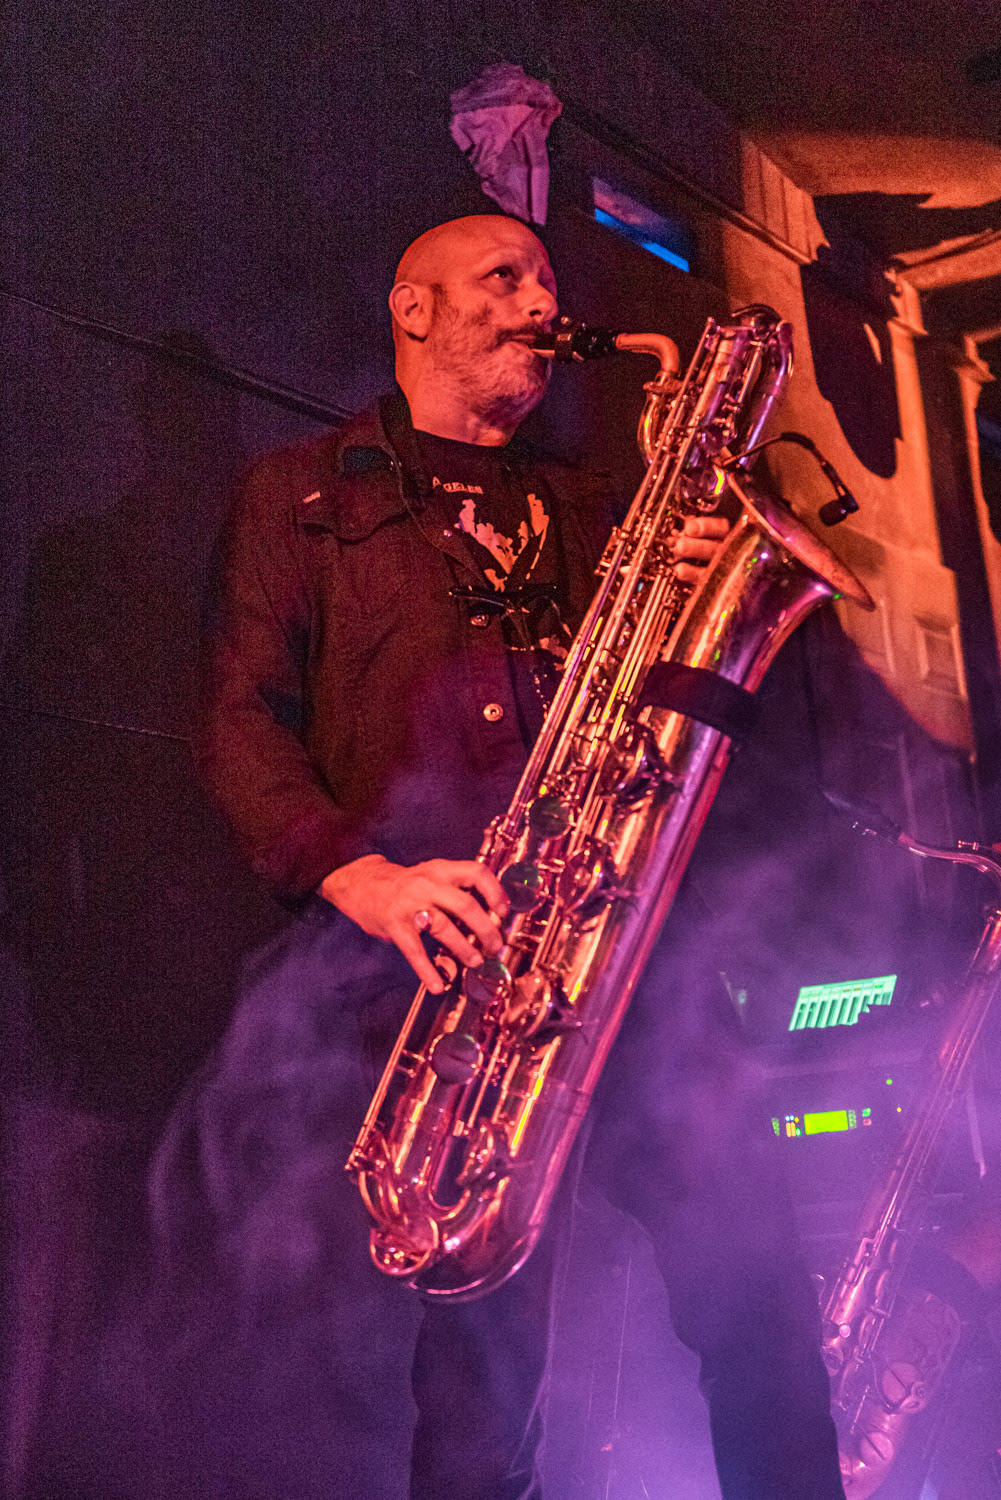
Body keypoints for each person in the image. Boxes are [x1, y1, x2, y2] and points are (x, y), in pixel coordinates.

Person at [149, 213, 846, 1500]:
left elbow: (664, 722)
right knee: (477, 1390)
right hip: (435, 980)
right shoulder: (299, 497)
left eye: (545, 279)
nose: (539, 302)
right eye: (503, 277)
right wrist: (363, 878)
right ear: (411, 308)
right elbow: (237, 723)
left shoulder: (590, 506)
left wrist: (702, 609)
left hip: (625, 956)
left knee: (761, 1318)